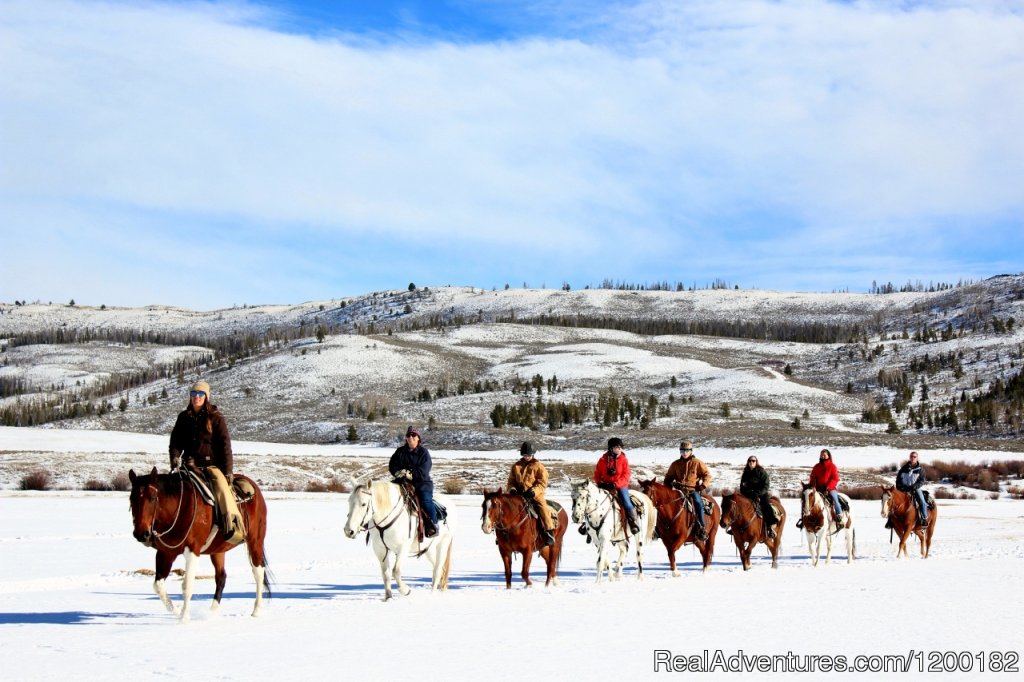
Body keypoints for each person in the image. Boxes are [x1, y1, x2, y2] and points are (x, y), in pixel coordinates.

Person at [168, 381, 244, 542]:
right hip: (188, 466)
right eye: (194, 394)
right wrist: (174, 458)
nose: (197, 397)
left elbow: (225, 446)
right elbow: (176, 441)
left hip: (210, 466)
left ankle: (233, 525)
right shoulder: (183, 417)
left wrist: (228, 471)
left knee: (222, 489)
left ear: (206, 397)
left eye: (200, 394)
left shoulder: (216, 418)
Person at [389, 426, 438, 537]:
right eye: (408, 435)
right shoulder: (400, 451)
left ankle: (433, 525)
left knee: (425, 500)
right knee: (386, 493)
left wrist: (411, 474)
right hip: (402, 482)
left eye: (413, 435)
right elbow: (392, 464)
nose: (410, 437)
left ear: (418, 438)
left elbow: (424, 470)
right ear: (406, 438)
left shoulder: (424, 453)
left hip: (422, 483)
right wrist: (398, 472)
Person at [507, 441, 555, 546]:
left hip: (535, 495)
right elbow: (511, 482)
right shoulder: (516, 466)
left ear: (532, 454)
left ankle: (549, 531)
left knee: (543, 507)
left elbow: (542, 483)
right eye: (525, 455)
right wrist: (512, 489)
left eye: (528, 455)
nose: (527, 457)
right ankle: (504, 533)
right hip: (518, 495)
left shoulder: (539, 466)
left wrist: (534, 491)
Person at [664, 440, 712, 540]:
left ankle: (701, 526)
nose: (684, 453)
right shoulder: (675, 464)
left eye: (686, 451)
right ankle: (660, 528)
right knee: (665, 504)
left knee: (698, 503)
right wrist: (668, 484)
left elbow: (707, 475)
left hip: (692, 490)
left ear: (691, 451)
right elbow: (668, 477)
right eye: (682, 451)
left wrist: (703, 486)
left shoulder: (697, 463)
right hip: (678, 490)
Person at [594, 437, 640, 534]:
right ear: (611, 448)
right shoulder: (602, 460)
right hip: (605, 485)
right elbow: (597, 473)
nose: (619, 449)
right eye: (617, 447)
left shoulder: (624, 460)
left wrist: (616, 484)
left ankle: (634, 522)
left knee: (627, 502)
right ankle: (589, 525)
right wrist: (599, 483)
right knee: (593, 501)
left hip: (620, 486)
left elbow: (626, 475)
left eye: (620, 447)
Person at [800, 448, 843, 528]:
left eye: (824, 455)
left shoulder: (832, 466)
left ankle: (839, 516)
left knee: (835, 498)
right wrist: (813, 486)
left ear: (828, 456)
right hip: (818, 489)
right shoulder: (817, 466)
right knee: (807, 500)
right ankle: (803, 519)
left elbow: (835, 478)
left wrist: (828, 487)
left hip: (830, 489)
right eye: (821, 455)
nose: (822, 456)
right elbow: (813, 477)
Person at [739, 455, 779, 539]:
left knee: (766, 506)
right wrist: (746, 493)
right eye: (750, 461)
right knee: (738, 506)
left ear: (756, 462)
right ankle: (736, 527)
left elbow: (766, 485)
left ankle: (771, 526)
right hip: (748, 495)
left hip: (761, 494)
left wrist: (758, 493)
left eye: (753, 461)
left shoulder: (761, 472)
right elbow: (742, 486)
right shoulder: (745, 473)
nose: (751, 462)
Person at [895, 451, 929, 527]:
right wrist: (900, 486)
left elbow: (922, 481)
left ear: (917, 458)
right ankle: (891, 520)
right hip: (904, 489)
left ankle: (924, 518)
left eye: (914, 457)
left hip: (915, 489)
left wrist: (914, 486)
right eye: (911, 456)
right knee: (893, 501)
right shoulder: (903, 468)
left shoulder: (921, 469)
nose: (913, 458)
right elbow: (898, 479)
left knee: (922, 501)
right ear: (909, 457)